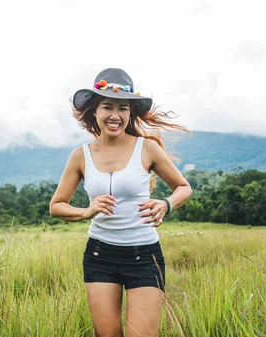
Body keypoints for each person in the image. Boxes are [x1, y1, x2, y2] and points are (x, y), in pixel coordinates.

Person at [49, 68, 192, 337]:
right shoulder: (80, 156)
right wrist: (86, 211)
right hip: (99, 255)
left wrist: (166, 204)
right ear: (94, 111)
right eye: (107, 107)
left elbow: (183, 187)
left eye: (122, 109)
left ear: (130, 113)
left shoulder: (147, 148)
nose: (115, 115)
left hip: (144, 256)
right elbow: (57, 205)